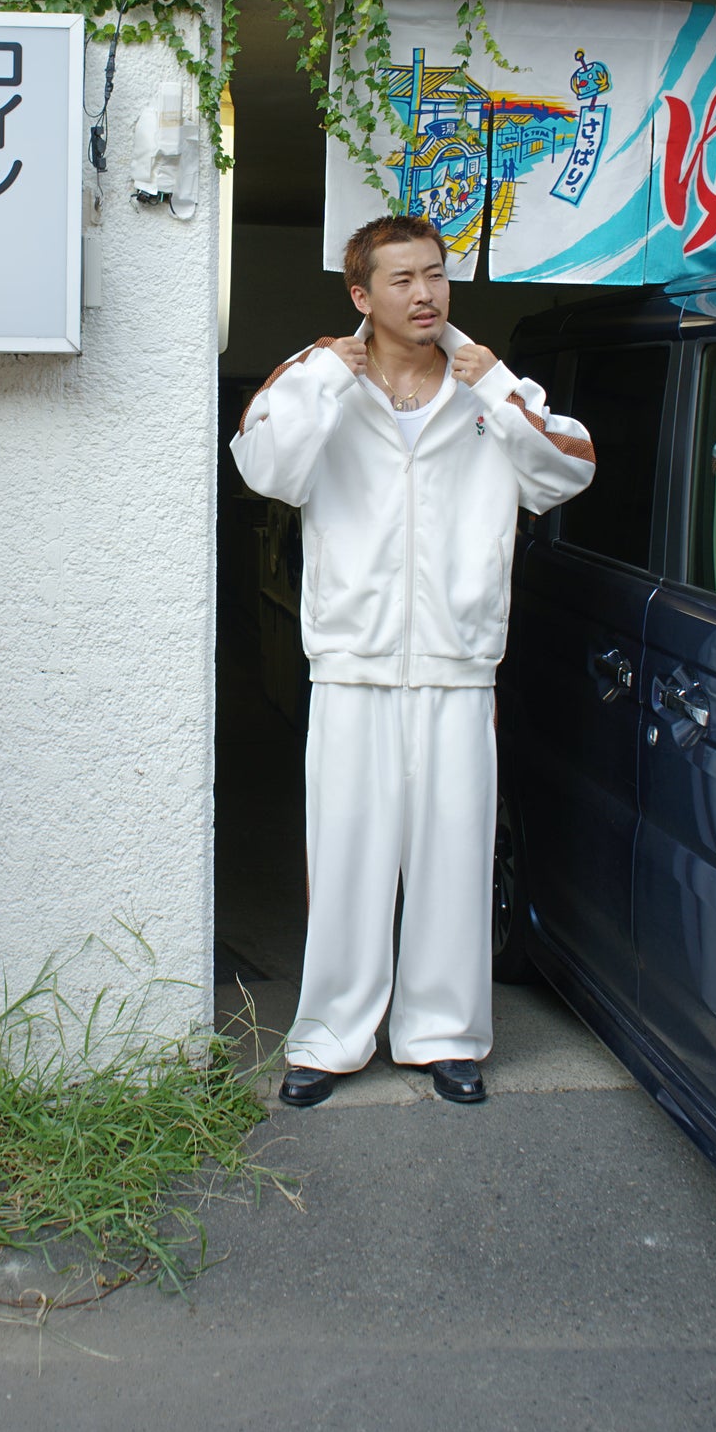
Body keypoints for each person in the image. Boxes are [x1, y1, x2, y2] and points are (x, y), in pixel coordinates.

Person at [231, 215, 596, 1108]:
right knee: (348, 852)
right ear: (361, 295)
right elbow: (262, 467)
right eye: (400, 280)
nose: (424, 293)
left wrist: (500, 388)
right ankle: (328, 1040)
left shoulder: (490, 389)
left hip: (458, 661)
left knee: (453, 856)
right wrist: (324, 375)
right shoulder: (322, 382)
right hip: (351, 661)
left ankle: (444, 1036)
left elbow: (568, 471)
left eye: (434, 275)